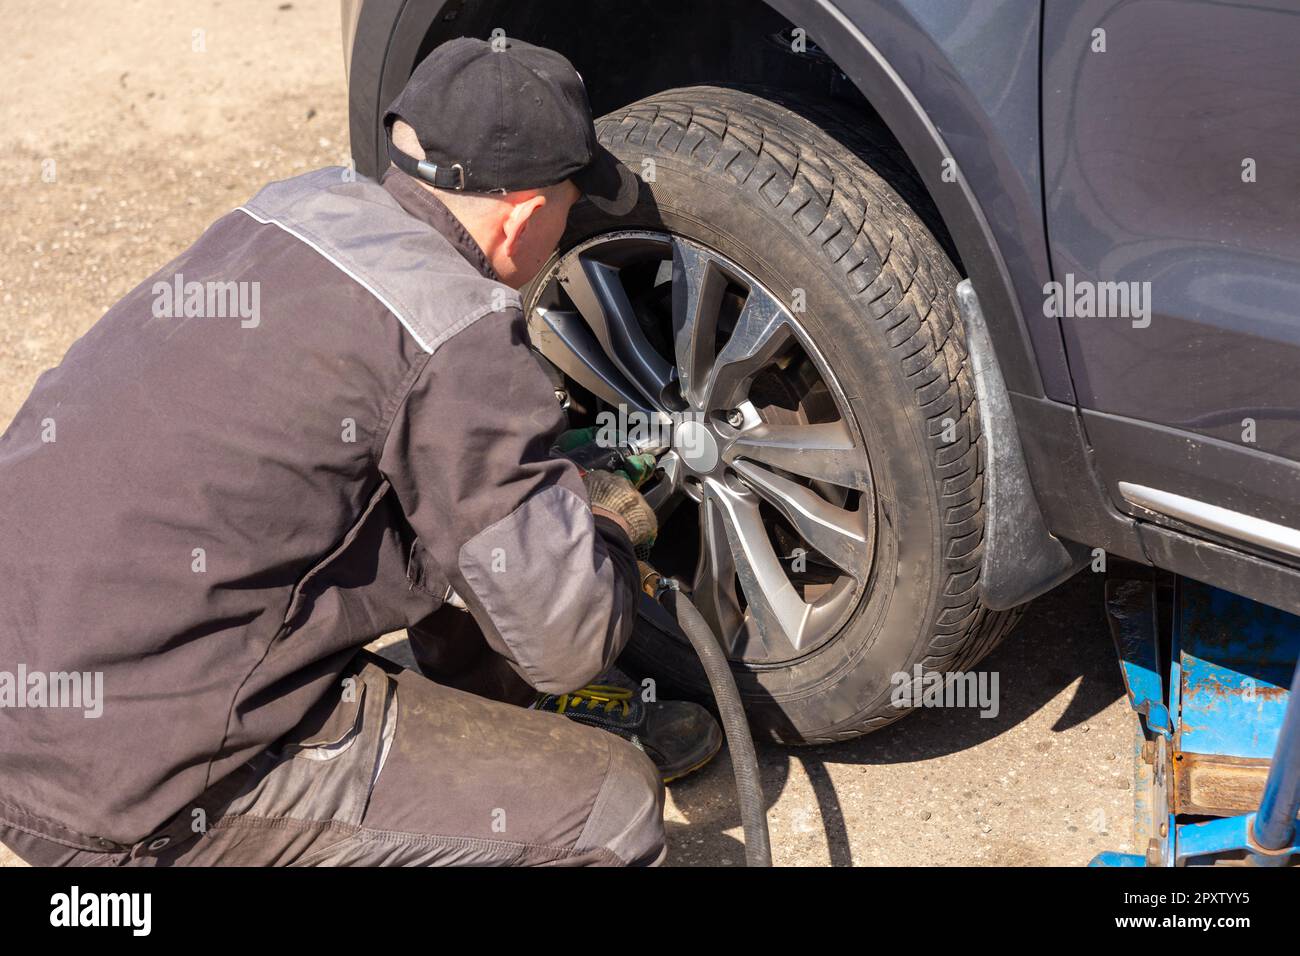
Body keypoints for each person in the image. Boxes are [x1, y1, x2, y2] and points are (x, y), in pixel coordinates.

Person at [0, 37, 718, 868]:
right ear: (524, 212)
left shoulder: (289, 212)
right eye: (569, 202)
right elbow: (567, 640)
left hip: (39, 687)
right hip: (136, 792)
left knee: (436, 513)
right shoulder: (456, 337)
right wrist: (602, 533)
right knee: (613, 808)